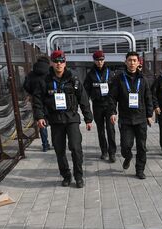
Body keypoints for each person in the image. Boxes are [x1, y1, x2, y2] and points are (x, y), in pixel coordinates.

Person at [33, 50, 93, 188]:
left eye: (61, 61)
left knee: (76, 148)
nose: (59, 64)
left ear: (65, 62)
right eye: (56, 61)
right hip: (55, 120)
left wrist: (88, 118)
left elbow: (83, 98)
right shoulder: (45, 80)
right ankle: (66, 175)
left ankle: (78, 176)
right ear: (52, 63)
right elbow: (37, 100)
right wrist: (40, 117)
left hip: (71, 118)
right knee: (59, 150)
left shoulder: (73, 78)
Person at [108, 51, 153, 180]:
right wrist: (112, 112)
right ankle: (127, 157)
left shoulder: (143, 79)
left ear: (138, 62)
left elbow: (148, 97)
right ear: (125, 62)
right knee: (125, 146)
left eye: (134, 60)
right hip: (126, 119)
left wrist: (149, 114)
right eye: (130, 60)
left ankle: (140, 170)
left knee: (141, 146)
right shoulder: (119, 79)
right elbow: (112, 97)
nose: (132, 63)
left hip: (140, 118)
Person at [84, 50, 116, 162]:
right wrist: (86, 104)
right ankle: (104, 151)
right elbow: (86, 91)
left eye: (102, 60)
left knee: (110, 129)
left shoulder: (110, 73)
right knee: (100, 129)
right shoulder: (90, 74)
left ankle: (112, 152)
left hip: (109, 105)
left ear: (104, 59)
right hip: (97, 105)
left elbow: (115, 91)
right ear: (94, 61)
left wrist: (114, 109)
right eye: (97, 60)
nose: (100, 62)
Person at [23, 56, 50, 151]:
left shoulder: (31, 74)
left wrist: (32, 92)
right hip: (49, 98)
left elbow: (26, 85)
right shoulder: (50, 72)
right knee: (54, 121)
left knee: (41, 122)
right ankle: (57, 142)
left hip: (36, 99)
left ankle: (45, 144)